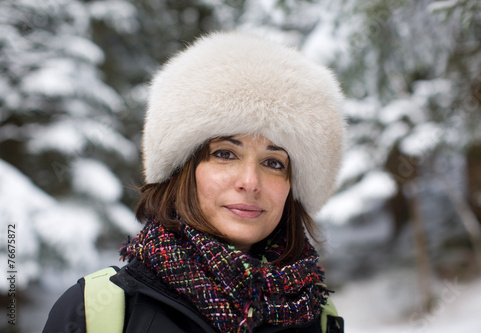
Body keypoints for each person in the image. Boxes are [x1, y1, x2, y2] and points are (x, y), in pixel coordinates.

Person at [43, 31, 345, 333]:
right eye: (225, 154)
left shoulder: (317, 317)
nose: (251, 182)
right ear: (184, 170)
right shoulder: (98, 313)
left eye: (273, 163)